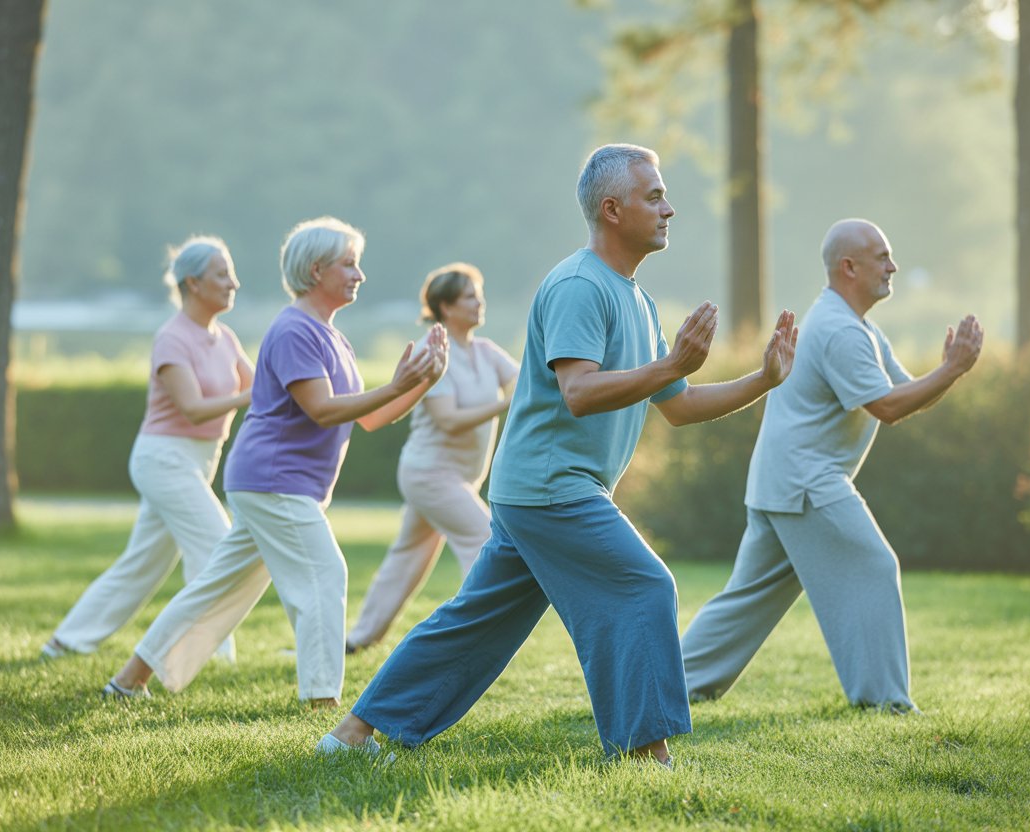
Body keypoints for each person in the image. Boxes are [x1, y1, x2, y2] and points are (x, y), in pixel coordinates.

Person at [320, 144, 797, 765]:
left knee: (478, 621)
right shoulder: (579, 286)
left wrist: (762, 380)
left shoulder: (636, 298)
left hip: (542, 489)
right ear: (612, 208)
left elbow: (678, 404)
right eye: (654, 196)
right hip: (553, 486)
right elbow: (578, 392)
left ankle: (352, 734)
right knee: (644, 586)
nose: (669, 209)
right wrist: (670, 363)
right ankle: (642, 754)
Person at [101, 216, 447, 706]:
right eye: (348, 264)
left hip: (277, 482)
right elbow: (323, 411)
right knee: (325, 574)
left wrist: (421, 382)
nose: (359, 274)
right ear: (315, 269)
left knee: (217, 588)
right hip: (274, 480)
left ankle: (128, 680)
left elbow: (369, 418)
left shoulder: (333, 337)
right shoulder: (293, 331)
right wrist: (395, 384)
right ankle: (322, 700)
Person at [680, 218, 984, 712]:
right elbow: (887, 407)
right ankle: (885, 702)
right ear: (849, 266)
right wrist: (952, 369)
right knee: (874, 565)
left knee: (745, 601)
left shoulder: (856, 326)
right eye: (882, 256)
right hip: (807, 482)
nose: (893, 266)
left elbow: (904, 395)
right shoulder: (839, 329)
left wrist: (946, 371)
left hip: (782, 482)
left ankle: (666, 683)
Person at [42, 236, 253, 662]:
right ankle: (211, 657)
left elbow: (258, 385)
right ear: (193, 283)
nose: (233, 282)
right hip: (164, 459)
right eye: (222, 274)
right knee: (218, 545)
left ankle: (66, 641)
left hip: (196, 461)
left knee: (141, 566)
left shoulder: (225, 337)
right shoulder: (173, 338)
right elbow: (193, 408)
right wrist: (254, 396)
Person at [346, 263, 519, 652]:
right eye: (469, 296)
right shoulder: (432, 350)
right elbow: (449, 420)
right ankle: (478, 633)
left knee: (407, 558)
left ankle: (359, 638)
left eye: (479, 294)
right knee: (486, 540)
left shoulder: (486, 352)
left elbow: (524, 382)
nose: (479, 302)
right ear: (444, 306)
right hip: (429, 474)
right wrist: (505, 403)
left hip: (456, 478)